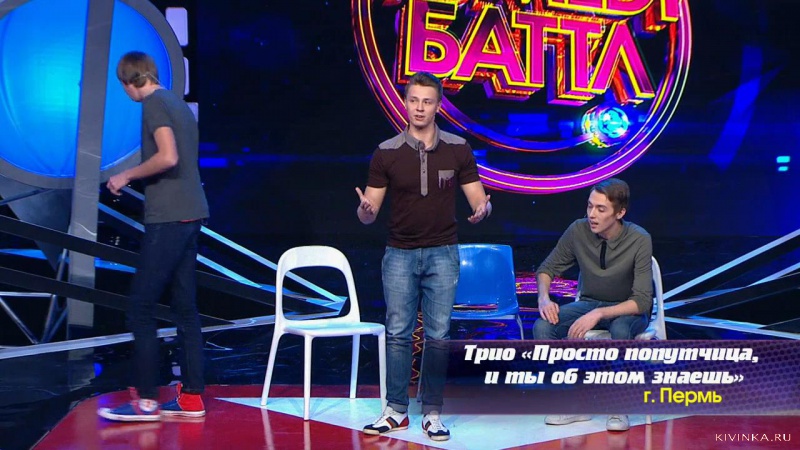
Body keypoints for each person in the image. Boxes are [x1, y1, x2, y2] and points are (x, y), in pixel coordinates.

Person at [355, 72, 492, 441]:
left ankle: (432, 412)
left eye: (427, 101)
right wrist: (366, 210)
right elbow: (369, 213)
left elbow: (478, 199)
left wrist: (482, 210)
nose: (419, 108)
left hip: (443, 253)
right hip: (399, 254)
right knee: (398, 333)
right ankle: (396, 410)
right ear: (405, 103)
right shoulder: (386, 152)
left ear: (438, 106)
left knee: (438, 335)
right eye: (414, 100)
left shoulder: (458, 148)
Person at [98, 51, 209, 422]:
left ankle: (146, 401)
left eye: (123, 85)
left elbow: (168, 156)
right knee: (185, 308)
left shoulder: (153, 105)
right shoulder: (177, 103)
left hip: (169, 217)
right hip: (191, 212)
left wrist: (125, 175)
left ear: (131, 81)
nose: (125, 91)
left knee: (140, 308)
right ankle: (191, 397)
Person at [533, 178, 652, 432]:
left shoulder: (639, 238)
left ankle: (618, 405)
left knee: (620, 330)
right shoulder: (578, 230)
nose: (592, 215)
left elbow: (642, 301)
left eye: (601, 209)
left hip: (627, 309)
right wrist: (544, 298)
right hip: (589, 303)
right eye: (589, 206)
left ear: (620, 213)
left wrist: (599, 313)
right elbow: (547, 269)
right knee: (543, 327)